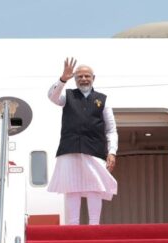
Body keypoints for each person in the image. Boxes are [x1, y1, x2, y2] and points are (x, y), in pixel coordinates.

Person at [47, 57, 118, 225]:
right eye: (79, 76)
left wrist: (112, 152)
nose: (83, 79)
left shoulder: (103, 99)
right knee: (72, 188)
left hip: (95, 149)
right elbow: (52, 97)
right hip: (69, 149)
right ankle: (73, 226)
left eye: (87, 76)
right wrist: (63, 78)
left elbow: (111, 129)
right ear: (75, 78)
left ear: (93, 78)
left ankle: (94, 226)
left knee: (95, 187)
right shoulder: (67, 95)